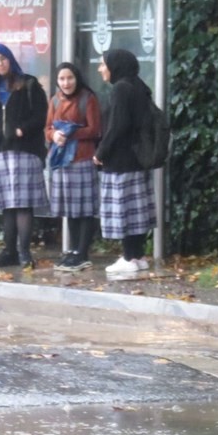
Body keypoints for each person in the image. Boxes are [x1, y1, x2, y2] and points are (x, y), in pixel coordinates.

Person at [0, 43, 50, 271]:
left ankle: (24, 252)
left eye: (3, 59)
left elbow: (42, 115)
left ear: (10, 59)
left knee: (22, 203)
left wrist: (22, 129)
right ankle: (9, 251)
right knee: (7, 205)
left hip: (24, 150)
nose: (0, 64)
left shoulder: (28, 83)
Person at [92, 49, 156, 280]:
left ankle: (129, 257)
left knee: (126, 210)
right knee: (137, 209)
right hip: (137, 159)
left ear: (115, 66)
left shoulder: (120, 89)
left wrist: (101, 152)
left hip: (121, 160)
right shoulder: (138, 86)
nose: (100, 69)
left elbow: (117, 126)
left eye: (103, 64)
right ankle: (137, 255)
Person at [45, 62, 102, 272]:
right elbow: (47, 127)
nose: (66, 83)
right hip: (61, 160)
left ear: (76, 78)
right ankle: (73, 250)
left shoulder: (88, 98)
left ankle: (82, 252)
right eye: (61, 79)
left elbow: (95, 129)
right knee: (69, 208)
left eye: (69, 78)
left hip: (82, 159)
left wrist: (70, 132)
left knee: (84, 209)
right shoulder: (54, 100)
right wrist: (54, 135)